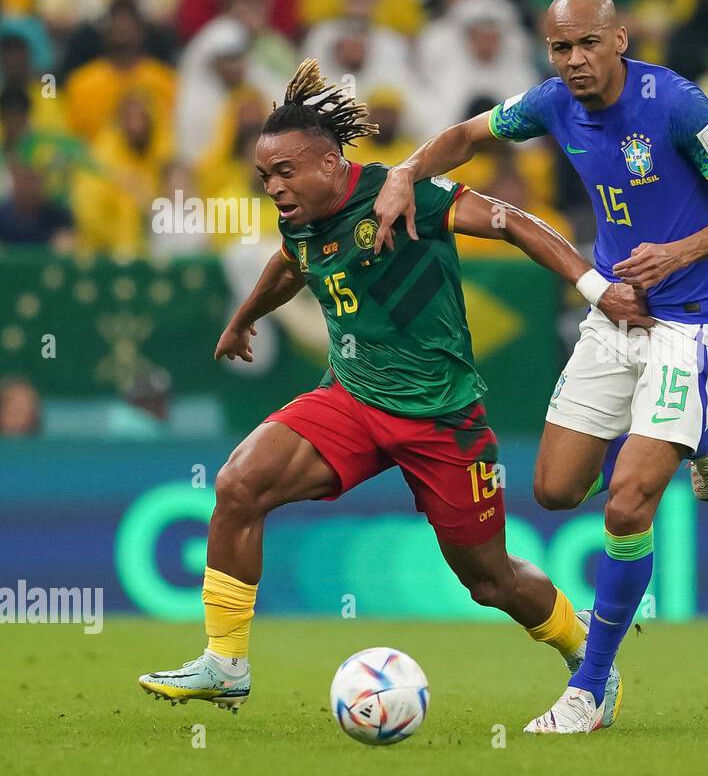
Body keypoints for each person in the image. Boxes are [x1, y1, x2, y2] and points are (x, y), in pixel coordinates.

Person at [137, 59, 650, 717]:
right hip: (352, 398)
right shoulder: (301, 213)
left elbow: (514, 222)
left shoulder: (405, 193)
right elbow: (291, 261)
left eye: (286, 172)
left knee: (490, 581)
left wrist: (593, 286)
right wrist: (244, 318)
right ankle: (224, 664)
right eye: (265, 177)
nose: (274, 188)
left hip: (442, 418)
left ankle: (587, 655)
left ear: (328, 162)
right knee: (239, 485)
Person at [373, 0, 708, 733]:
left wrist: (682, 252)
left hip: (688, 323)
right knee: (557, 490)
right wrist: (403, 172)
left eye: (588, 44)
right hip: (613, 316)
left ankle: (591, 687)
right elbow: (466, 137)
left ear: (619, 38)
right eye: (560, 48)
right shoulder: (551, 103)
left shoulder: (677, 103)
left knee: (627, 502)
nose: (575, 60)